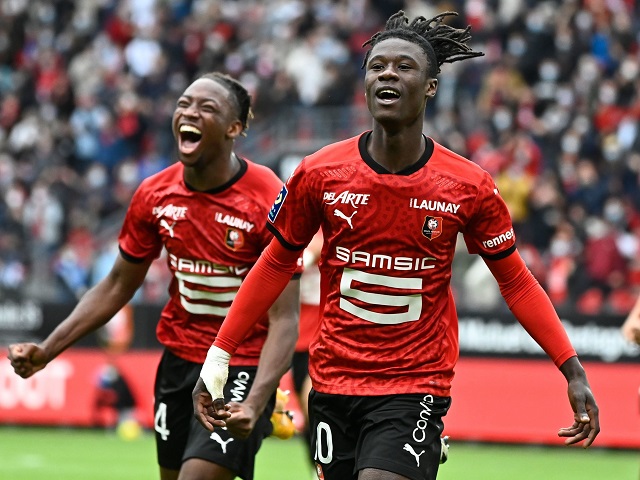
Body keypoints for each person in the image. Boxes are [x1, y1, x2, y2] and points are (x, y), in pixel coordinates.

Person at [192, 11, 600, 480]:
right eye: (377, 66)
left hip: (415, 383)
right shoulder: (320, 172)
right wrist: (220, 354)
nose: (387, 73)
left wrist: (572, 369)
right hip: (334, 381)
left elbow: (517, 283)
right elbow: (273, 265)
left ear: (430, 87)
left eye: (404, 67)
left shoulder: (467, 186)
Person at [8, 72, 301, 480]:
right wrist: (47, 349)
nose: (190, 112)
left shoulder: (268, 196)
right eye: (184, 104)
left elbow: (285, 318)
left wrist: (256, 399)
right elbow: (117, 285)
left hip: (240, 363)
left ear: (234, 128)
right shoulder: (155, 194)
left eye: (207, 108)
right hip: (178, 361)